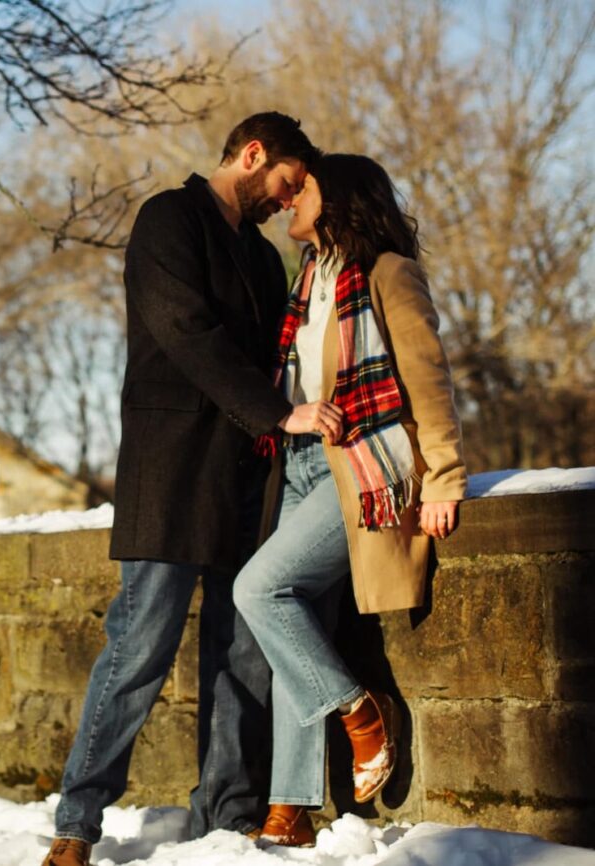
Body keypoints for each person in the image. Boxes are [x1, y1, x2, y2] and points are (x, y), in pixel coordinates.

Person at [41, 113, 335, 866]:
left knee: (242, 655)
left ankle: (227, 819)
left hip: (247, 480)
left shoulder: (263, 258)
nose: (287, 199)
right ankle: (76, 824)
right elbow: (185, 330)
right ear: (253, 154)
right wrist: (279, 412)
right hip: (170, 473)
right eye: (286, 183)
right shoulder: (168, 219)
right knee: (138, 649)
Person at [233, 153, 468, 847]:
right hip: (301, 465)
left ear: (337, 200)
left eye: (302, 189)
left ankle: (360, 710)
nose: (289, 198)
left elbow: (429, 381)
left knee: (260, 591)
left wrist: (444, 477)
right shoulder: (308, 279)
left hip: (362, 469)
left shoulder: (389, 273)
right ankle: (291, 805)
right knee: (294, 620)